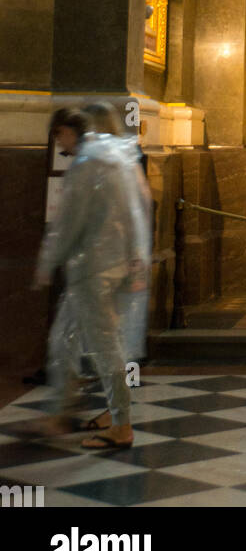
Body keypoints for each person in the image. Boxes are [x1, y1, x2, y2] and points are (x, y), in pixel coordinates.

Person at [32, 101, 151, 449]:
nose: (60, 145)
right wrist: (137, 260)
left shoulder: (87, 163)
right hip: (116, 265)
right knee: (68, 338)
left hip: (92, 269)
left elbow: (68, 222)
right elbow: (139, 210)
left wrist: (46, 261)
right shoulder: (121, 158)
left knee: (103, 345)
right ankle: (67, 409)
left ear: (71, 130)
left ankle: (121, 425)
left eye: (59, 135)